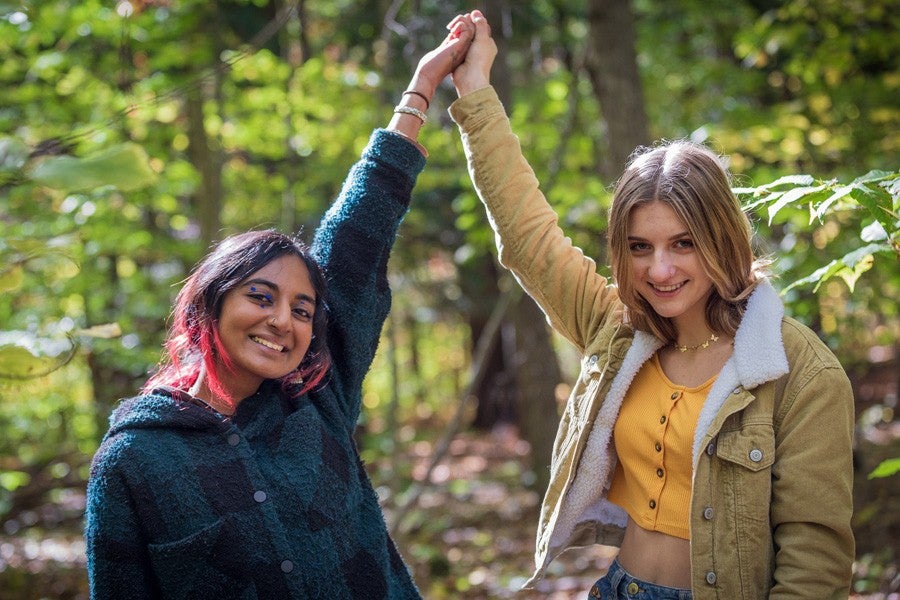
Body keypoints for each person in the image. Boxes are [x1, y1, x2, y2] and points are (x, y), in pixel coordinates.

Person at [445, 11, 855, 600]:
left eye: (683, 243)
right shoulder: (616, 330)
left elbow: (815, 560)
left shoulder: (798, 373)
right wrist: (476, 90)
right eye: (640, 247)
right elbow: (526, 236)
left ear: (722, 239)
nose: (659, 270)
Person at [84, 20, 474, 600]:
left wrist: (419, 90)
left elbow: (356, 239)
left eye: (302, 309)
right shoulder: (133, 461)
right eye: (260, 297)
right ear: (209, 305)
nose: (281, 321)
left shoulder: (318, 398)